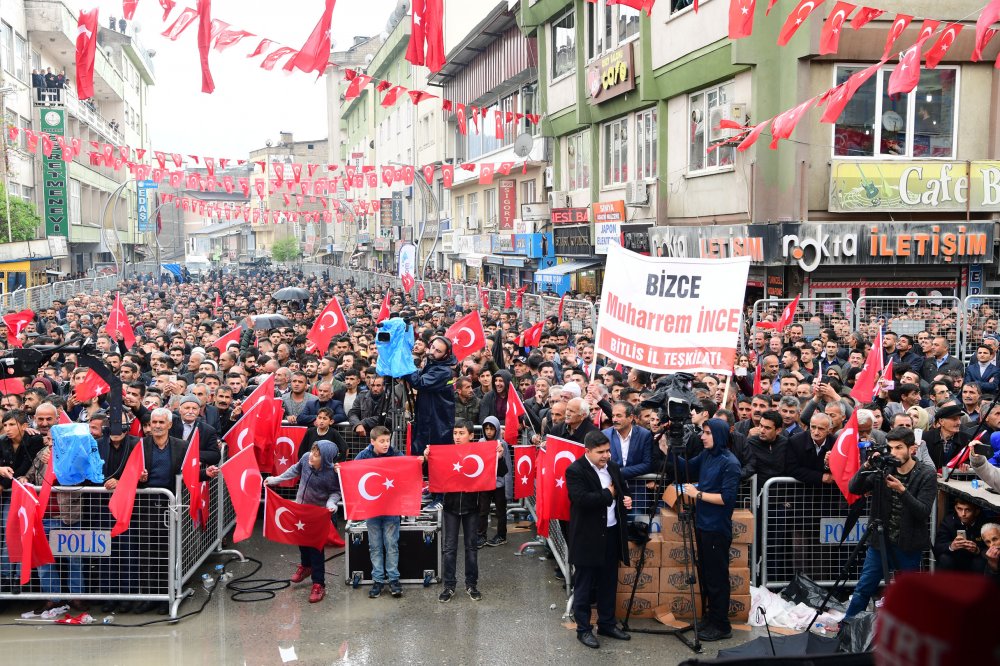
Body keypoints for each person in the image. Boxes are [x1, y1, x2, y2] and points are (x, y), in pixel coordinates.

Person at [843, 427, 937, 621]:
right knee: (864, 588)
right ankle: (847, 627)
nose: (893, 452)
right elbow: (855, 488)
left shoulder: (926, 474)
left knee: (907, 595)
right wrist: (867, 466)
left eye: (899, 447)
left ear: (912, 449)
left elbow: (923, 511)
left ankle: (906, 634)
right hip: (880, 542)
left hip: (908, 544)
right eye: (890, 448)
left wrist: (902, 490)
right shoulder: (884, 468)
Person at [664, 419, 742, 642]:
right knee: (706, 576)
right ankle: (710, 617)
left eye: (707, 433)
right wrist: (668, 449)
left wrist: (696, 494)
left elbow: (726, 499)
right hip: (702, 525)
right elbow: (685, 468)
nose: (702, 436)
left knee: (717, 578)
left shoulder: (730, 463)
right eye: (702, 432)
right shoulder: (708, 455)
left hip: (717, 528)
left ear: (717, 435)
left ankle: (721, 624)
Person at [566, 430, 632, 649]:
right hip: (587, 537)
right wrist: (608, 494)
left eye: (608, 451)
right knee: (584, 585)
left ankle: (607, 623)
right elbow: (581, 499)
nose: (606, 456)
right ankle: (583, 629)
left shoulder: (613, 468)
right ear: (588, 452)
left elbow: (620, 491)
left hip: (611, 532)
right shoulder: (575, 470)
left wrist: (625, 499)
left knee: (608, 582)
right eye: (600, 452)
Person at [264, 439, 341, 604]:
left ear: (326, 458)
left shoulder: (332, 473)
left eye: (317, 455)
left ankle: (318, 584)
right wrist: (276, 479)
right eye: (312, 452)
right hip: (301, 510)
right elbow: (294, 469)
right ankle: (306, 566)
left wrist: (331, 503)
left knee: (316, 549)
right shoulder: (305, 458)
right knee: (301, 541)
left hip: (317, 516)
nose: (311, 457)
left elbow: (336, 492)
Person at [351, 426, 404, 599]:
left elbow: (408, 466)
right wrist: (340, 469)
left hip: (391, 508)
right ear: (372, 441)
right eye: (382, 441)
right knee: (375, 546)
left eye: (387, 440)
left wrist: (418, 460)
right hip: (372, 509)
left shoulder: (396, 454)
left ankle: (394, 579)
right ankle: (378, 580)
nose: (386, 444)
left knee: (391, 544)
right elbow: (351, 471)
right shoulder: (364, 455)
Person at [436, 419, 485, 602]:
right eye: (455, 433)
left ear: (471, 436)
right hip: (450, 507)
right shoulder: (447, 453)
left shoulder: (479, 453)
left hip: (472, 507)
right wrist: (427, 458)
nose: (457, 437)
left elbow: (499, 471)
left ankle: (471, 584)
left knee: (471, 547)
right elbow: (431, 472)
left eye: (461, 433)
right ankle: (449, 586)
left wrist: (500, 457)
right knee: (449, 548)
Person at [407, 336, 457, 456]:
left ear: (445, 355)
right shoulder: (432, 365)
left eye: (438, 351)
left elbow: (419, 382)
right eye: (432, 348)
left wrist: (407, 364)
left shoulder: (443, 371)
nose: (433, 352)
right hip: (427, 419)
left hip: (436, 425)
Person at [476, 416, 509, 548]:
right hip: (485, 483)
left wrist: (500, 457)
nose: (489, 432)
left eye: (492, 429)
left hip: (499, 484)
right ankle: (481, 536)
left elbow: (505, 469)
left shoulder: (502, 443)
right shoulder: (481, 442)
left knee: (501, 511)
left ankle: (501, 535)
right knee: (482, 510)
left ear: (497, 430)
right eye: (486, 429)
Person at [933, 498, 986, 572]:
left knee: (980, 562)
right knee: (945, 559)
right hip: (954, 562)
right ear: (955, 508)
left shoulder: (984, 525)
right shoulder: (949, 522)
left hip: (974, 563)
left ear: (976, 511)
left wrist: (977, 550)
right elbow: (937, 548)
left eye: (968, 510)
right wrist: (951, 546)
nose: (963, 514)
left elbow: (993, 549)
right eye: (959, 509)